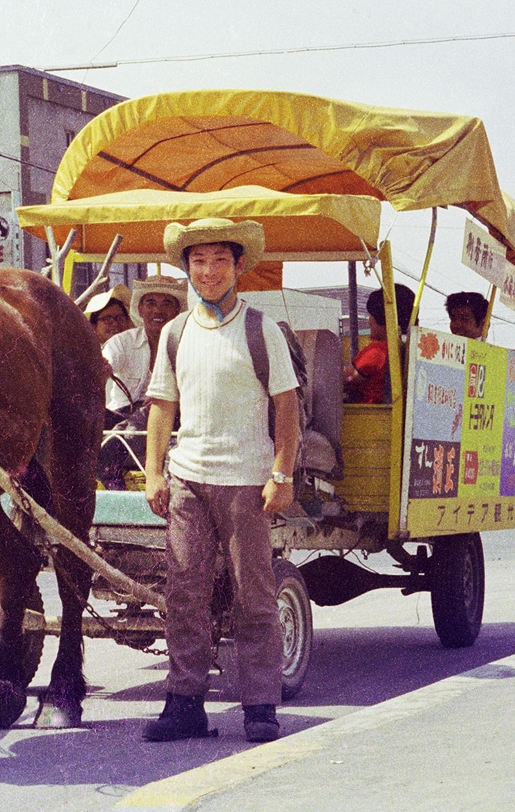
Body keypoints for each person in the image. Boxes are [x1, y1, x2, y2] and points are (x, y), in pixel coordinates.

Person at [142, 217, 300, 744]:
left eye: (219, 261)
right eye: (198, 261)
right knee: (184, 594)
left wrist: (281, 473)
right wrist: (153, 472)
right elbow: (162, 408)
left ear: (237, 268)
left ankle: (260, 704)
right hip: (188, 479)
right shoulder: (175, 332)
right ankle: (185, 702)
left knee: (252, 595)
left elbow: (287, 409)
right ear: (187, 269)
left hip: (246, 483)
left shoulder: (262, 330)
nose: (208, 271)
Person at [101, 274, 187, 420]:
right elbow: (107, 362)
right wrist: (101, 370)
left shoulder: (188, 344)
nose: (158, 310)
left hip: (169, 416)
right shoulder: (122, 342)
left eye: (166, 303)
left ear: (177, 310)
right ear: (140, 309)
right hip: (121, 418)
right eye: (151, 303)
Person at [343, 284, 415, 404]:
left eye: (372, 314)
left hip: (369, 418)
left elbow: (347, 380)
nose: (369, 320)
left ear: (384, 319)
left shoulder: (377, 351)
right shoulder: (409, 347)